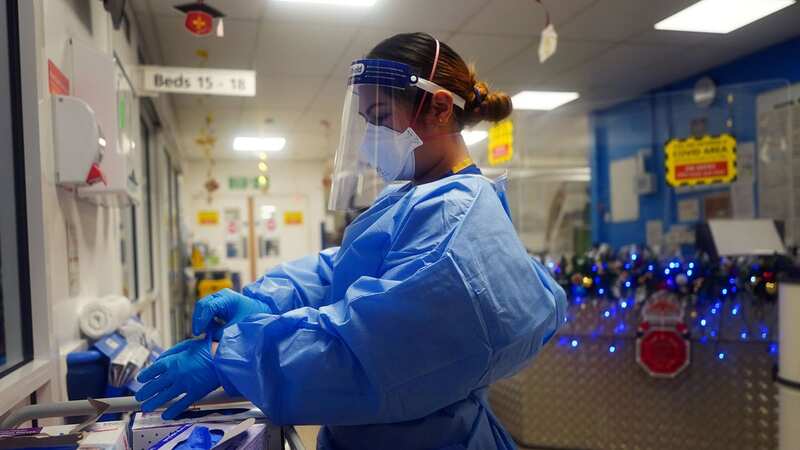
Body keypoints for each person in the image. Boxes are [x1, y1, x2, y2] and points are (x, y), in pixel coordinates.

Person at [136, 32, 567, 450]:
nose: (369, 141)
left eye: (380, 118)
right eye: (366, 123)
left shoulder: (454, 218)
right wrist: (267, 301)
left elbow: (366, 354)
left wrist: (232, 355)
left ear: (438, 108)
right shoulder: (415, 196)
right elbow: (345, 268)